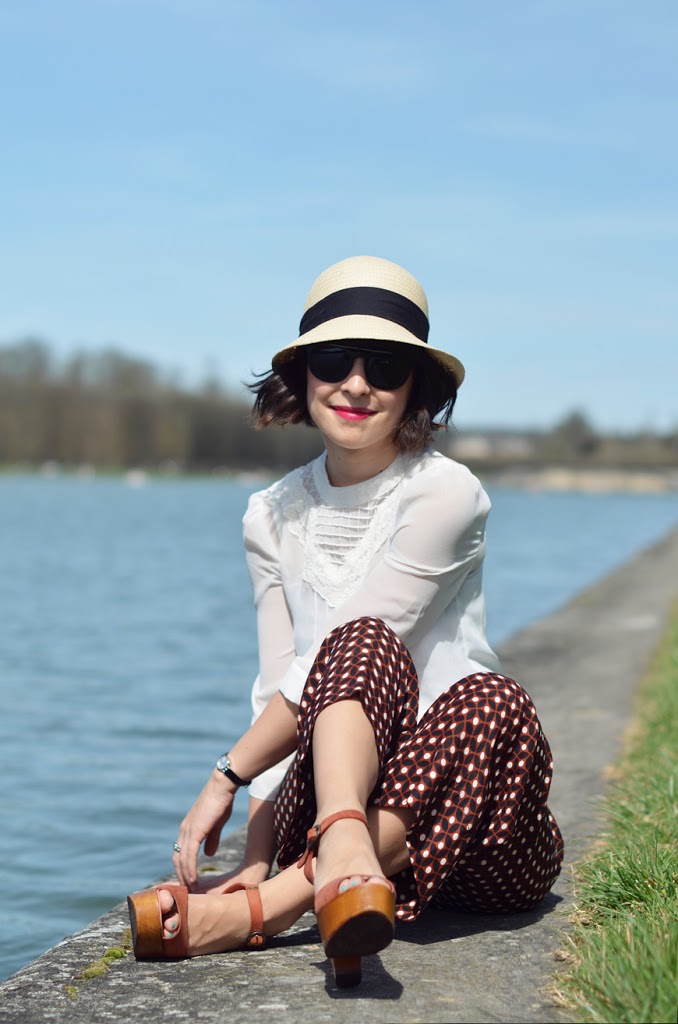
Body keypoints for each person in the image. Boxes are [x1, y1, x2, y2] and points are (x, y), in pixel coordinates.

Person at [127, 255, 564, 987]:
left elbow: (344, 644)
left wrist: (225, 776)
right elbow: (280, 680)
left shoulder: (447, 494)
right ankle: (332, 871)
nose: (356, 383)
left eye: (387, 367)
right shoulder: (269, 514)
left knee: (495, 702)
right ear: (302, 375)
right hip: (337, 802)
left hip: (479, 838)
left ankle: (268, 909)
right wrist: (254, 850)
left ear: (415, 390)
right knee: (351, 650)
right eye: (334, 359)